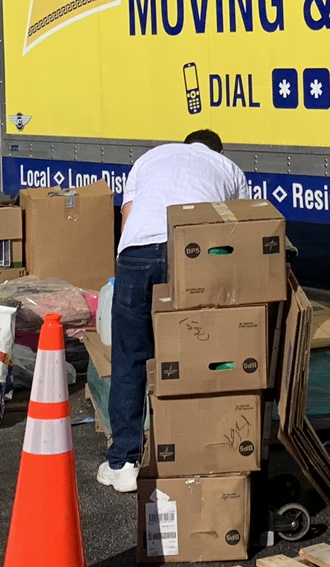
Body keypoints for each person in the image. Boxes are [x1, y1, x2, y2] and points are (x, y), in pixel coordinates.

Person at [95, 129, 247, 494]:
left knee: (130, 358)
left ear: (185, 143)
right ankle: (198, 449)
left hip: (138, 252)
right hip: (191, 252)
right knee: (200, 353)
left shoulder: (150, 158)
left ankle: (124, 463)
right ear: (218, 150)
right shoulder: (229, 169)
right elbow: (238, 230)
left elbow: (128, 215)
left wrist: (126, 266)